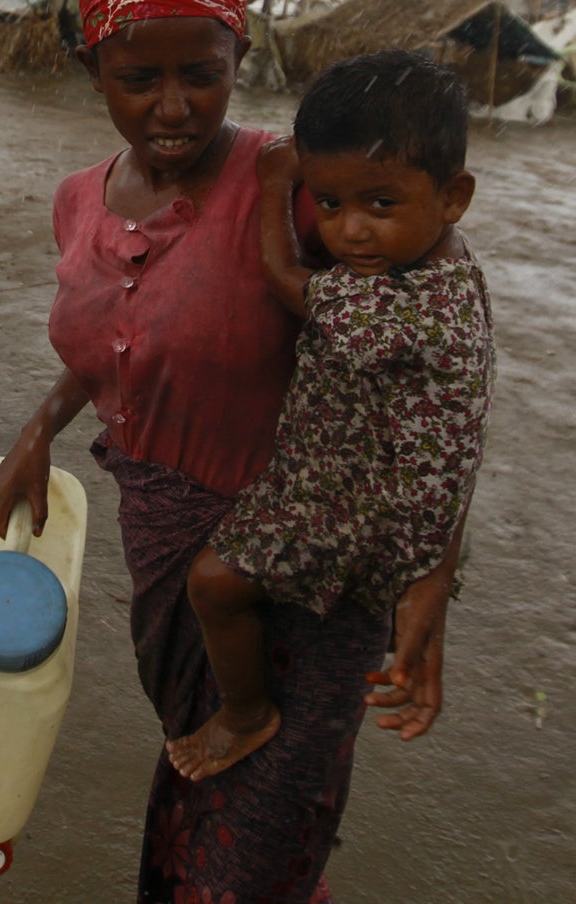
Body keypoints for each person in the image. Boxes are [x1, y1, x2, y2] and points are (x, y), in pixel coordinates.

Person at [0, 0, 469, 904]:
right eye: (137, 78)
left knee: (257, 832)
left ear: (239, 58)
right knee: (199, 780)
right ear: (92, 72)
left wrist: (432, 574)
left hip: (308, 564)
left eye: (200, 74)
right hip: (166, 541)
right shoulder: (79, 200)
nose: (171, 107)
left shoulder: (299, 185)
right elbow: (107, 343)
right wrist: (37, 431)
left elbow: (443, 369)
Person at [163, 49, 492, 783]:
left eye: (381, 204)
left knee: (213, 584)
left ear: (453, 196)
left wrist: (279, 187)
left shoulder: (400, 304)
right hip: (395, 496)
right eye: (330, 203)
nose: (350, 234)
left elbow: (285, 278)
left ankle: (247, 713)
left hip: (352, 507)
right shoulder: (452, 264)